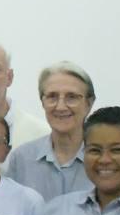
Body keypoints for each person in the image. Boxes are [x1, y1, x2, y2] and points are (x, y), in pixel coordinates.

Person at [6, 61, 96, 201]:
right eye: (52, 97)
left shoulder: (104, 159)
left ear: (89, 103)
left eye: (71, 97)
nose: (60, 107)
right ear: (42, 102)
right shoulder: (22, 159)